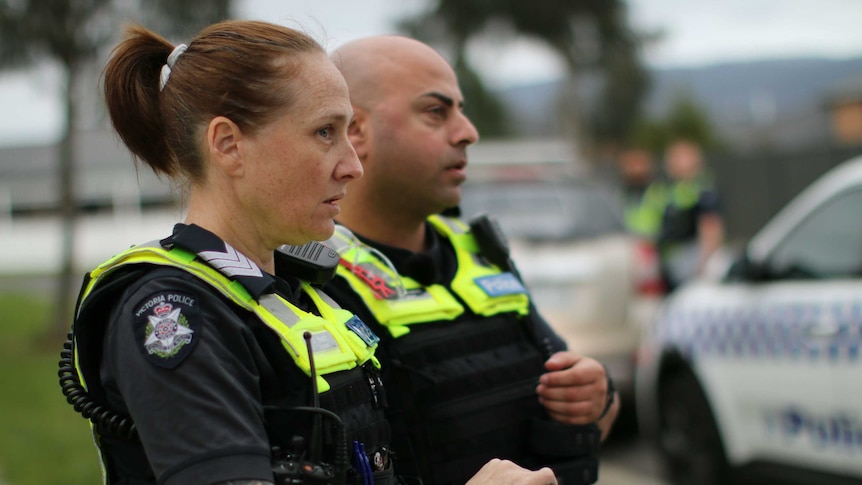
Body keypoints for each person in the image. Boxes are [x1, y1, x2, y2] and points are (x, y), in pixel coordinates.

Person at [58, 21, 558, 485]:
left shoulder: (302, 294)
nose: (353, 166)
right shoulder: (175, 311)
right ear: (229, 145)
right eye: (324, 132)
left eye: (348, 132)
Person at [322, 35, 620, 485]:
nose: (467, 132)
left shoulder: (479, 248)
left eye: (459, 110)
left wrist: (597, 397)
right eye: (436, 112)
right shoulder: (307, 279)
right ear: (356, 130)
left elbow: (586, 408)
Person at [657, 138, 724, 291]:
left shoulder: (703, 190)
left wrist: (703, 265)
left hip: (690, 261)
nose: (671, 163)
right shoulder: (670, 189)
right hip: (669, 261)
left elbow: (711, 228)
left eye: (678, 158)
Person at [617, 146, 667, 240]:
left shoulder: (658, 190)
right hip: (628, 241)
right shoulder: (621, 192)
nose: (636, 169)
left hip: (655, 241)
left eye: (639, 163)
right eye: (631, 164)